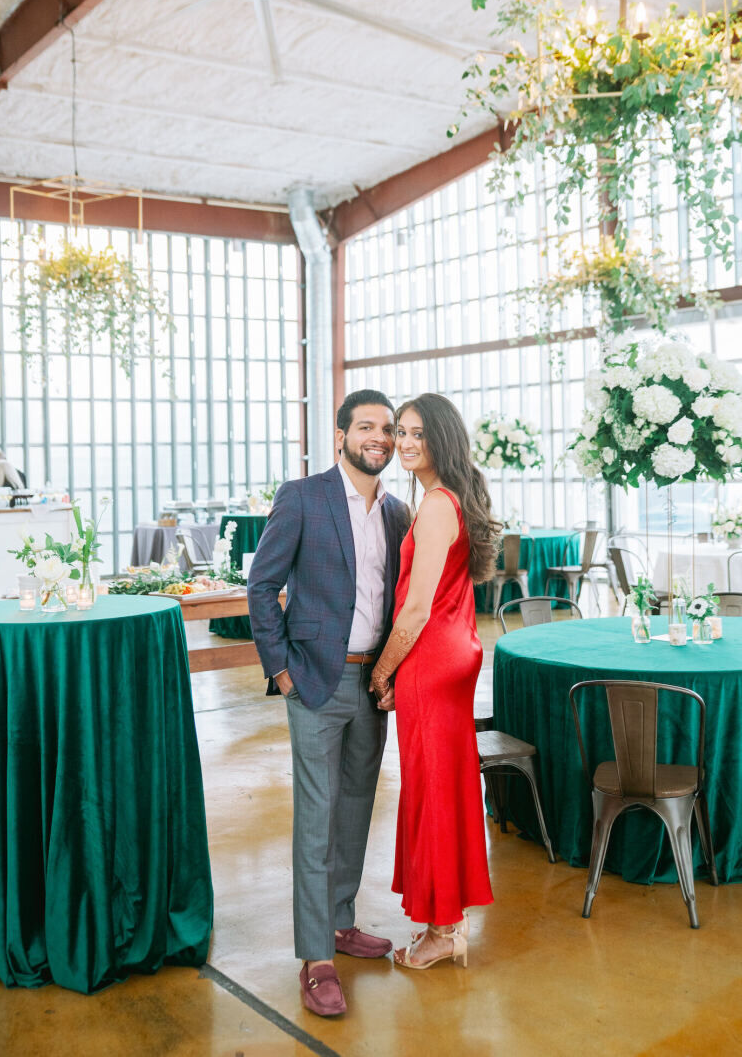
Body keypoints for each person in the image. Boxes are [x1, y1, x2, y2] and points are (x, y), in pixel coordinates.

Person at [248, 390, 411, 1018]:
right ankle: (316, 958)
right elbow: (261, 586)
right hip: (314, 680)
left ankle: (341, 923)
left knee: (354, 812)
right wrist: (281, 671)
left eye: (388, 429)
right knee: (315, 820)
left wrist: (392, 673)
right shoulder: (303, 496)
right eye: (366, 427)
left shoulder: (397, 513)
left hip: (373, 685)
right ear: (340, 435)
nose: (380, 437)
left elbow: (395, 600)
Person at [370, 392, 502, 970]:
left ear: (441, 438)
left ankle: (444, 929)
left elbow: (417, 607)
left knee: (433, 792)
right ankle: (448, 922)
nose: (404, 443)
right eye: (401, 431)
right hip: (455, 652)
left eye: (417, 433)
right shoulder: (451, 500)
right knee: (444, 788)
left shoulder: (435, 506)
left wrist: (382, 669)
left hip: (431, 657)